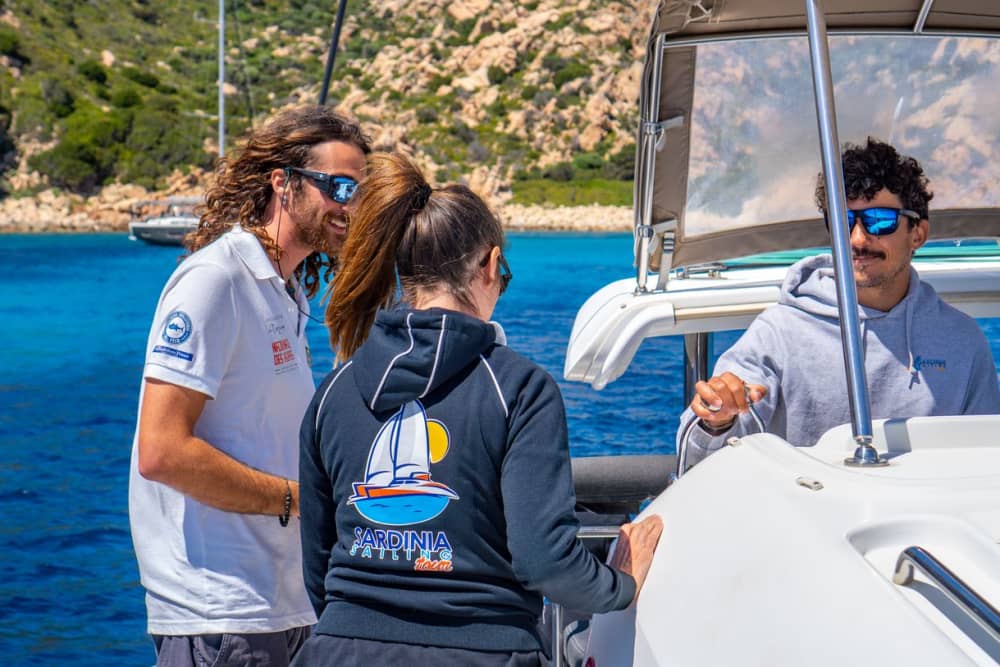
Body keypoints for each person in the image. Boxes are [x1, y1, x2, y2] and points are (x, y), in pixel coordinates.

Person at [294, 152, 663, 666]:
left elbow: (317, 566)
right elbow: (544, 560)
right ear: (489, 266)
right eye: (502, 275)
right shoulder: (519, 389)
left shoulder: (331, 394)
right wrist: (621, 585)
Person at [128, 105, 370, 667]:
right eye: (336, 186)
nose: (348, 206)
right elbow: (161, 451)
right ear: (282, 183)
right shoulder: (216, 281)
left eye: (358, 192)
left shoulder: (286, 294)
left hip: (281, 605)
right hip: (221, 615)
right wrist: (296, 500)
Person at [679, 137, 1000, 470]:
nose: (858, 239)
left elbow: (987, 460)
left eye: (879, 220)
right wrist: (716, 420)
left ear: (917, 234)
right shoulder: (780, 333)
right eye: (844, 220)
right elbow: (696, 462)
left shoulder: (961, 340)